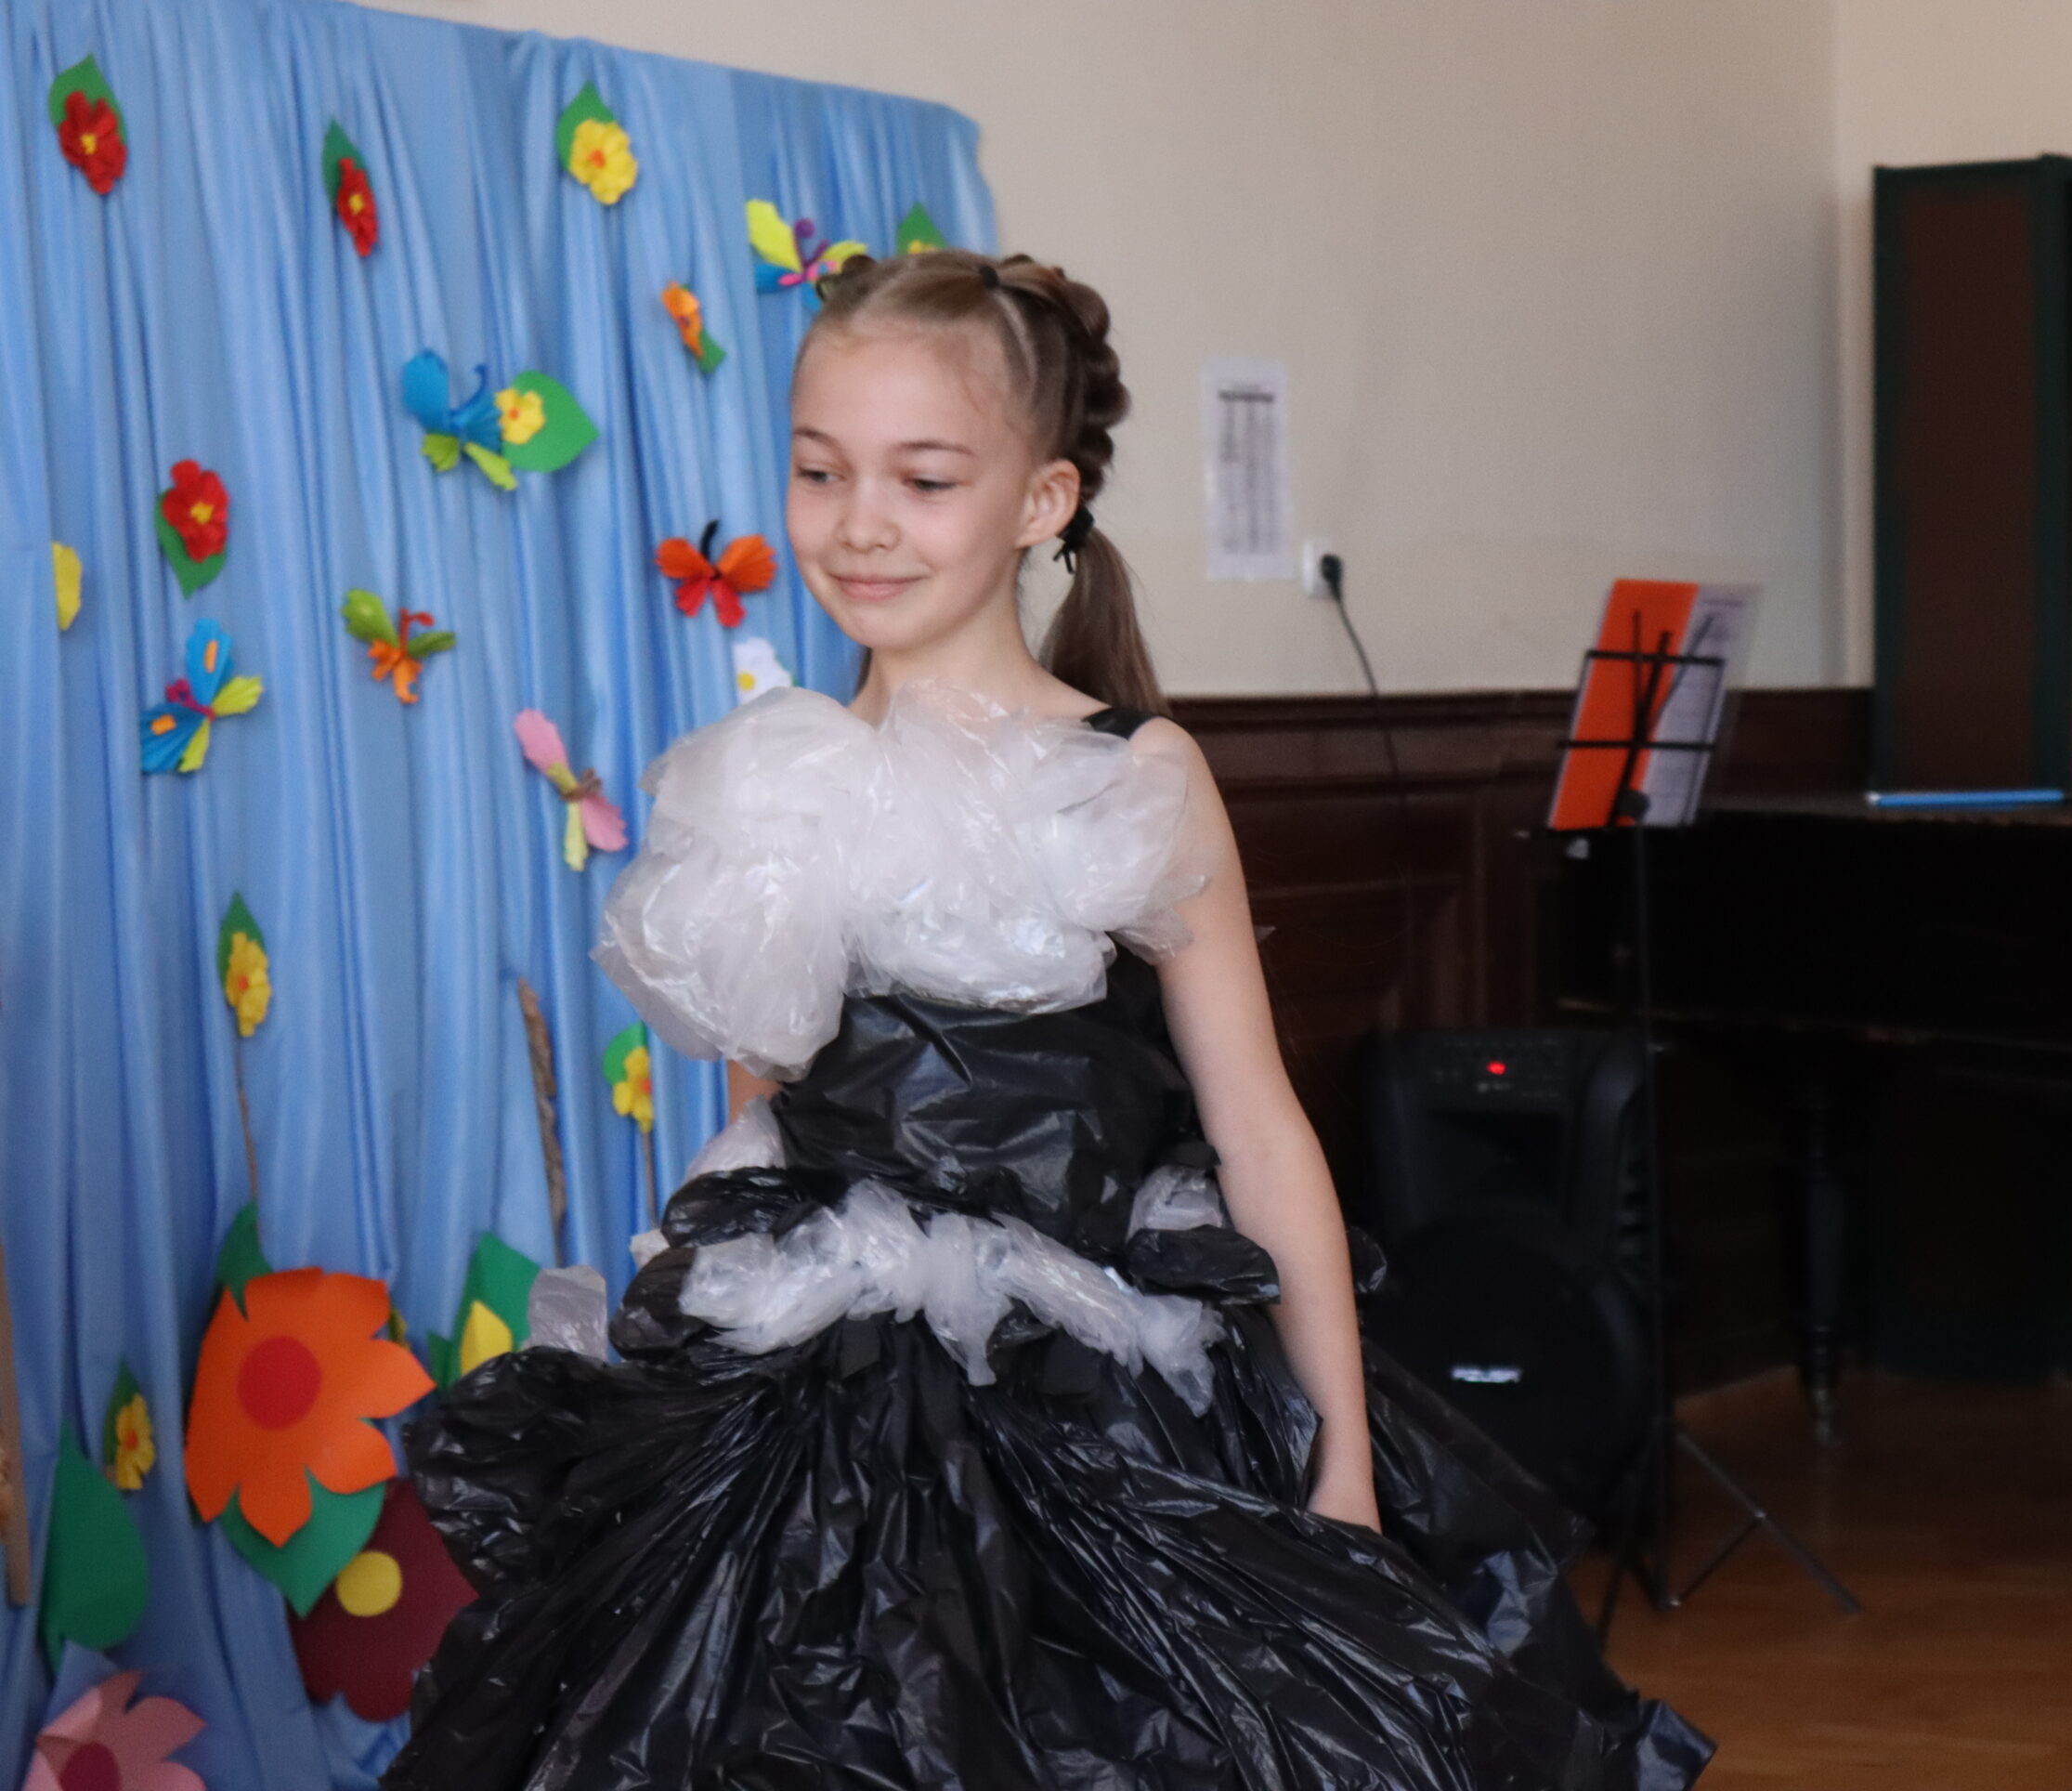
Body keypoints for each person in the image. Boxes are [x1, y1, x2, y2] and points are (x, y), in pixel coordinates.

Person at [383, 250, 1710, 1791]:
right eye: (820, 471)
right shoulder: (762, 782)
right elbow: (754, 1125)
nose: (860, 522)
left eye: (924, 479)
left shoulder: (1133, 777)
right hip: (816, 1409)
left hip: (1110, 1399)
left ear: (1042, 499)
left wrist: (1342, 1469)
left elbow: (1260, 1129)